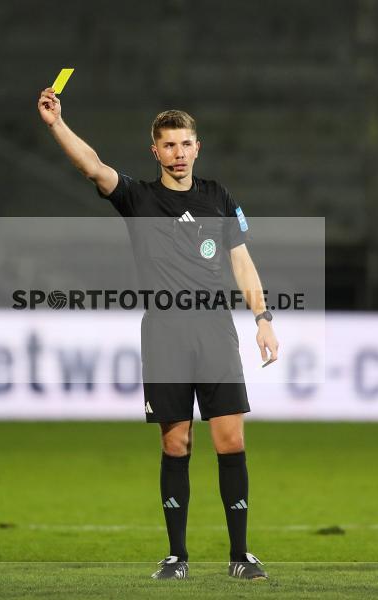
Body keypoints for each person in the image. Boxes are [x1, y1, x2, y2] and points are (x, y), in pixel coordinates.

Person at [38, 88, 278, 580]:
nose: (179, 153)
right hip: (165, 335)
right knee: (176, 444)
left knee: (230, 440)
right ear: (156, 151)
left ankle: (240, 555)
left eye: (186, 144)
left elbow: (241, 261)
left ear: (197, 147)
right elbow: (92, 166)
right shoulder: (138, 198)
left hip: (215, 333)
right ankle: (177, 556)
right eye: (169, 145)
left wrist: (263, 318)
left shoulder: (218, 198)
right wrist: (56, 124)